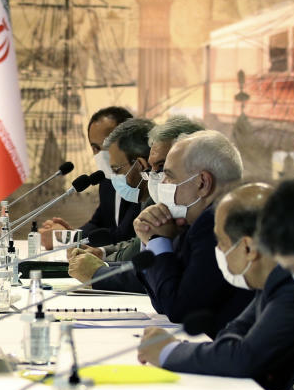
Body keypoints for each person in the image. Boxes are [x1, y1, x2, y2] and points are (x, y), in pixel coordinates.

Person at [137, 182, 294, 390]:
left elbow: (244, 357)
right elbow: (233, 333)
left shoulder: (293, 282)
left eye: (221, 242)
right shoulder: (271, 281)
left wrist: (168, 351)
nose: (217, 249)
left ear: (247, 247)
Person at [134, 129, 253, 336]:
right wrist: (154, 239)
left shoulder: (215, 222)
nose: (162, 184)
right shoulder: (192, 222)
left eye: (169, 176)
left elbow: (179, 309)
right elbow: (163, 300)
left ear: (202, 183)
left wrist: (157, 239)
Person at [69, 116, 205, 287]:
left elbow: (163, 281)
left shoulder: (206, 222)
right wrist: (99, 257)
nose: (154, 178)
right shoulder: (166, 203)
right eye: (154, 168)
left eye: (164, 170)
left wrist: (99, 273)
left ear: (202, 180)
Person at [67, 117, 153, 292]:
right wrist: (101, 253)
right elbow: (138, 243)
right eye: (95, 148)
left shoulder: (154, 195)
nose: (101, 156)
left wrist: (99, 271)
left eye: (116, 169)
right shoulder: (114, 185)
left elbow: (124, 236)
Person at [40, 106, 133, 249]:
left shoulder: (144, 182)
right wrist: (71, 235)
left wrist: (66, 238)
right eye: (96, 148)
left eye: (107, 145)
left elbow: (122, 236)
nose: (102, 153)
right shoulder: (107, 180)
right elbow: (97, 223)